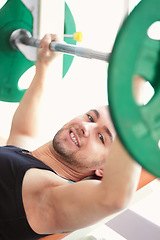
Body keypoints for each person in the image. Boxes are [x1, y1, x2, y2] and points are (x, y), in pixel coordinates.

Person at [0, 34, 141, 240]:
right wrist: (44, 66)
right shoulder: (27, 159)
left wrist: (133, 84)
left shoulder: (50, 197)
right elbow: (24, 131)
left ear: (104, 169)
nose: (86, 127)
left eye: (101, 137)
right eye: (91, 117)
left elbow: (113, 198)